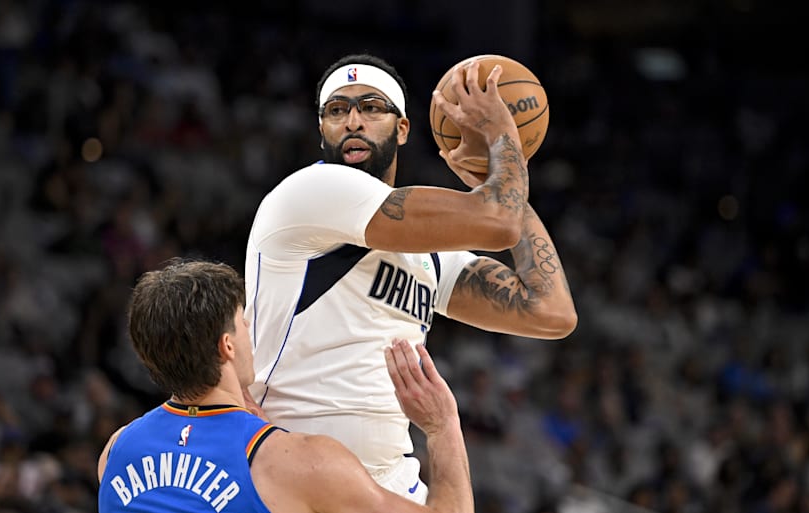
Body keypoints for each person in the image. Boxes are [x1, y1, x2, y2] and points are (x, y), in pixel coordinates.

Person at [244, 52, 578, 502]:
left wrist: (500, 187)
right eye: (337, 110)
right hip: (293, 476)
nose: (353, 121)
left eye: (371, 107)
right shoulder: (311, 193)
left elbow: (550, 312)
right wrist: (502, 134)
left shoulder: (429, 255)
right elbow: (499, 222)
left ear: (402, 128)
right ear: (321, 129)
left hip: (389, 484)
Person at [97, 259, 472, 513]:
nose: (250, 332)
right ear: (226, 345)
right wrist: (443, 428)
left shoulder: (115, 451)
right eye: (243, 322)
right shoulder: (298, 463)